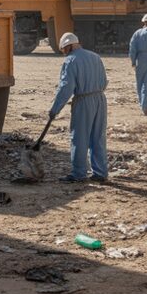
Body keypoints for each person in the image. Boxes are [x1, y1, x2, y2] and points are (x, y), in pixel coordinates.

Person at [46, 32, 109, 183]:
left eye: (63, 51)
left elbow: (66, 88)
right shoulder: (95, 56)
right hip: (100, 99)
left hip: (83, 101)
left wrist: (55, 109)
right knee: (98, 137)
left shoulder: (71, 61)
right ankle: (100, 172)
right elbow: (105, 81)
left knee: (79, 138)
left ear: (68, 47)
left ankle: (79, 173)